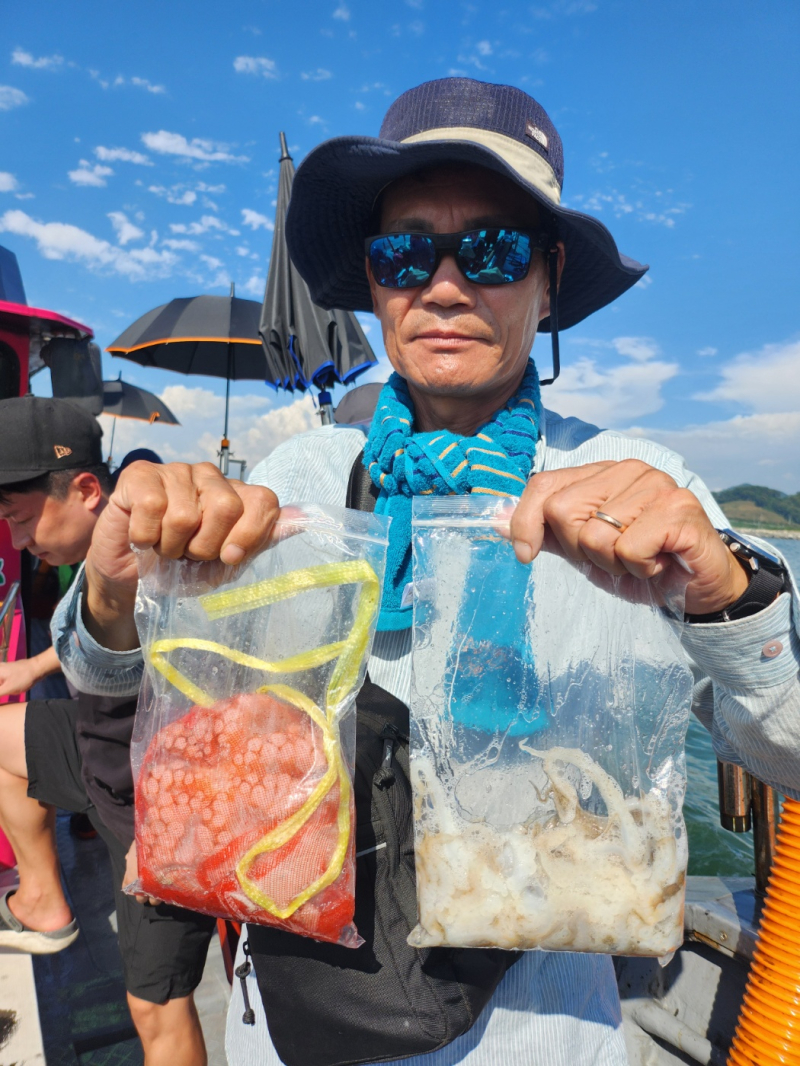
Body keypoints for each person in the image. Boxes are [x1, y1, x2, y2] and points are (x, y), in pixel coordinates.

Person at [54, 78, 799, 1066]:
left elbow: (786, 751)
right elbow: (134, 710)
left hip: (543, 1031)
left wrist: (723, 594)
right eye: (403, 251)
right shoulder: (294, 479)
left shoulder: (648, 496)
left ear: (548, 274)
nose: (442, 285)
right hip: (292, 1020)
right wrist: (109, 597)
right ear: (371, 283)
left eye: (490, 249)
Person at [0, 397, 213, 1066]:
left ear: (88, 490)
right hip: (99, 754)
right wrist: (29, 667)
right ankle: (41, 903)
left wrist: (158, 835)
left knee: (155, 1005)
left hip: (156, 797)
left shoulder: (155, 555)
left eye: (21, 519)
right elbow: (89, 635)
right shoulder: (93, 551)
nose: (15, 540)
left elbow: (206, 704)